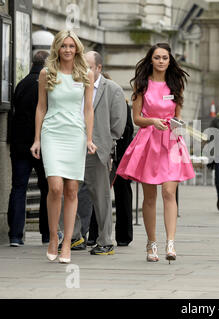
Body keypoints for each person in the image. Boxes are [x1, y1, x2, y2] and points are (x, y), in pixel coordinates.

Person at [116, 43, 195, 263]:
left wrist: (178, 137)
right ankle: (151, 243)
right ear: (151, 59)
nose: (161, 61)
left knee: (169, 192)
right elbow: (136, 118)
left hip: (170, 141)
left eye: (165, 58)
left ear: (170, 61)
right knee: (150, 197)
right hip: (148, 141)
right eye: (157, 57)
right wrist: (152, 121)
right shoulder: (142, 86)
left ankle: (170, 242)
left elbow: (178, 116)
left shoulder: (175, 85)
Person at [30, 30, 97, 263]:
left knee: (71, 190)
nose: (67, 50)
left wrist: (89, 138)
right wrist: (37, 139)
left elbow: (88, 109)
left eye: (71, 46)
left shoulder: (85, 74)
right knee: (55, 187)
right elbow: (40, 107)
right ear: (57, 48)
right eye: (63, 46)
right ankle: (53, 238)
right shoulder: (46, 73)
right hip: (52, 133)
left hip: (75, 134)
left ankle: (67, 242)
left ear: (76, 49)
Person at [64, 51, 127, 256]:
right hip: (72, 145)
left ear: (99, 68)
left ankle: (105, 241)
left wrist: (106, 144)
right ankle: (74, 236)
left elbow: (118, 124)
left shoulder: (113, 90)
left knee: (100, 196)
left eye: (89, 66)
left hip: (97, 149)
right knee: (67, 192)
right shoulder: (74, 85)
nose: (84, 70)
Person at [7, 51, 50, 246]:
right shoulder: (45, 84)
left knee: (18, 188)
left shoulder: (20, 84)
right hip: (41, 144)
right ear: (46, 64)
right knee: (47, 189)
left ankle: (15, 235)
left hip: (19, 145)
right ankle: (47, 234)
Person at [113, 99, 135, 246]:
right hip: (120, 154)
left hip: (120, 155)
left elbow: (128, 129)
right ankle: (124, 236)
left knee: (122, 193)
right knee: (122, 194)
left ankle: (124, 235)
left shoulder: (121, 103)